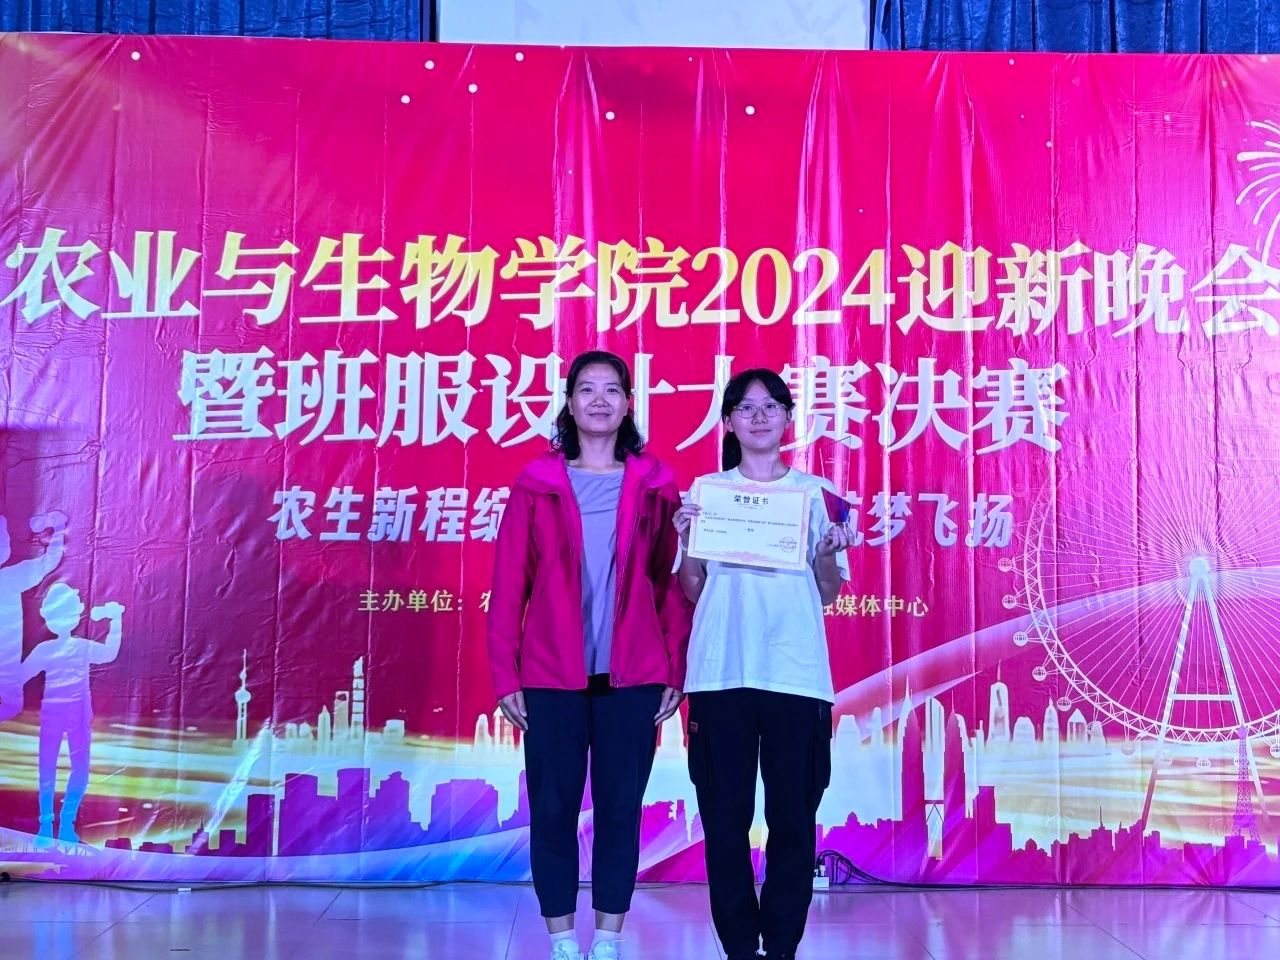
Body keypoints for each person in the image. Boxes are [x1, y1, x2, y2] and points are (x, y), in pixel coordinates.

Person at [487, 350, 693, 960]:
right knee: (552, 808)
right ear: (570, 403)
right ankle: (560, 939)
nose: (599, 400)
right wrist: (506, 675)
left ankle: (607, 937)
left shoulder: (655, 485)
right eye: (586, 389)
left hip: (634, 676)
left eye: (611, 390)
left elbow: (670, 584)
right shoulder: (537, 484)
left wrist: (674, 666)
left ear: (629, 403)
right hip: (551, 674)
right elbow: (508, 586)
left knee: (621, 808)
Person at [673, 369, 852, 960]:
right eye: (745, 408)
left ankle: (780, 947)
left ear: (788, 419)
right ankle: (738, 948)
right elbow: (693, 587)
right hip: (720, 673)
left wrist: (825, 555)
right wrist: (688, 541)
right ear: (727, 422)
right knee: (723, 823)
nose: (758, 416)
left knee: (793, 822)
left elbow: (827, 593)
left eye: (771, 406)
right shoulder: (707, 492)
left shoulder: (815, 495)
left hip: (795, 676)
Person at [19, 582, 125, 843]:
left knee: (71, 768)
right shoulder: (48, 649)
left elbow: (109, 654)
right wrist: (115, 621)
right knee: (52, 768)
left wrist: (116, 621)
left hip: (75, 713)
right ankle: (49, 826)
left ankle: (64, 825)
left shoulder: (77, 647)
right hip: (55, 713)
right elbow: (21, 675)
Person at [0, 511, 68, 723]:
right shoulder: (10, 577)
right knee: (12, 703)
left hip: (5, 659)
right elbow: (49, 562)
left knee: (12, 703)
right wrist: (58, 529)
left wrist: (58, 530)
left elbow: (49, 562)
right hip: (6, 660)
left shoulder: (10, 577)